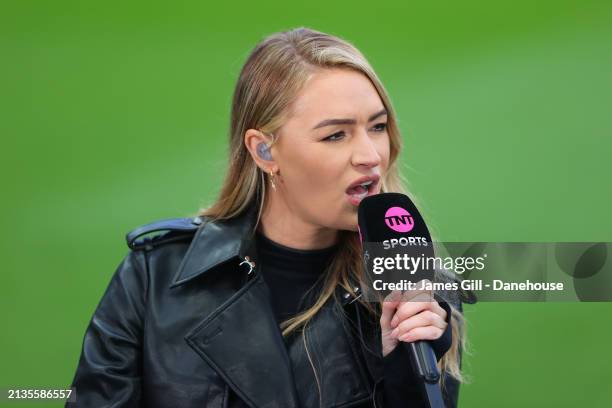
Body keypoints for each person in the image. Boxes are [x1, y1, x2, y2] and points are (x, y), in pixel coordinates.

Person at [67, 27, 467, 407]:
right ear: (264, 152)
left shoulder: (418, 285)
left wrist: (406, 377)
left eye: (377, 126)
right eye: (335, 135)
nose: (371, 155)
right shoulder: (153, 278)